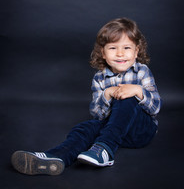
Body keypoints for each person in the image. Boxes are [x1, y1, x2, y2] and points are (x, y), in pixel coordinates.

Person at [11, 18, 161, 176]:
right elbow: (98, 115)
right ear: (103, 53)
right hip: (115, 131)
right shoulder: (100, 78)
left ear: (136, 51)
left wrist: (138, 91)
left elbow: (155, 107)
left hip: (141, 131)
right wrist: (106, 95)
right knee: (84, 128)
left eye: (126, 47)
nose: (120, 53)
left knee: (126, 97)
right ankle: (56, 156)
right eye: (112, 48)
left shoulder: (142, 71)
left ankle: (104, 150)